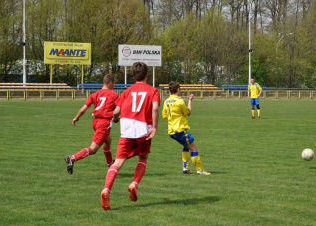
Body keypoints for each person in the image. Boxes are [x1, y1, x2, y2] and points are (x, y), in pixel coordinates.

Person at [100, 62, 160, 210]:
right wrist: (154, 127)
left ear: (134, 75)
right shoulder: (153, 91)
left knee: (117, 163)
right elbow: (155, 109)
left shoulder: (127, 92)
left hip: (126, 130)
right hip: (143, 129)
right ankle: (134, 184)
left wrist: (115, 120)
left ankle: (106, 190)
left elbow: (115, 113)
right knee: (143, 158)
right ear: (147, 74)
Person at [65, 74, 118, 174]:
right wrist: (118, 118)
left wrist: (77, 117)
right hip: (104, 123)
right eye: (114, 83)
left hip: (95, 122)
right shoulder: (114, 94)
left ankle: (110, 164)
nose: (114, 85)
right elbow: (118, 110)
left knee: (108, 141)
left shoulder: (95, 94)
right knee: (93, 149)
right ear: (110, 83)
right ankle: (72, 158)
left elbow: (84, 108)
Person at [162, 81, 211, 175]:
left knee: (186, 145)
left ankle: (186, 168)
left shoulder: (166, 101)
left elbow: (164, 116)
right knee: (194, 148)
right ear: (178, 89)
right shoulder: (180, 101)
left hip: (171, 131)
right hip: (180, 129)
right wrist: (190, 101)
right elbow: (188, 112)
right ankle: (200, 170)